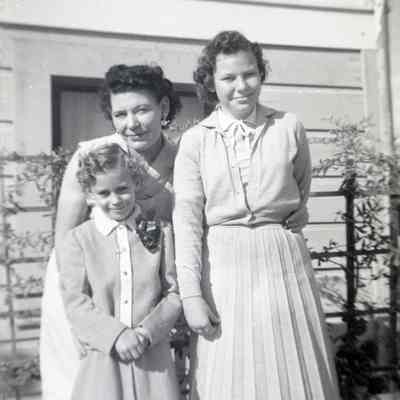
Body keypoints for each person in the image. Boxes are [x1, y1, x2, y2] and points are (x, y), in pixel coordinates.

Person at [173, 30, 340, 400]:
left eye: (249, 74)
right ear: (210, 82)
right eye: (228, 77)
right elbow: (186, 223)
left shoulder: (288, 127)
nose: (241, 86)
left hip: (282, 261)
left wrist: (295, 213)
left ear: (261, 74)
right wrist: (191, 296)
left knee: (292, 369)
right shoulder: (196, 141)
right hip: (225, 269)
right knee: (233, 372)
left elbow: (299, 190)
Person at [40, 64, 181, 400]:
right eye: (121, 114)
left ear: (163, 107)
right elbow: (65, 239)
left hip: (146, 297)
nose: (132, 123)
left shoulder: (183, 159)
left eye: (142, 110)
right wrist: (82, 321)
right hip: (88, 290)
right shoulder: (93, 156)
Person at [58, 143, 181, 400]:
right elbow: (75, 302)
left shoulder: (161, 232)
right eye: (104, 193)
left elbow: (174, 292)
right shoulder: (79, 240)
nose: (115, 200)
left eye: (122, 189)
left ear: (135, 183)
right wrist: (116, 336)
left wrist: (147, 333)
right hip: (104, 358)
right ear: (89, 195)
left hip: (152, 359)